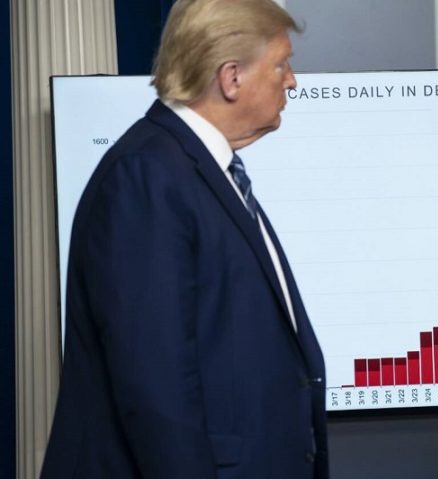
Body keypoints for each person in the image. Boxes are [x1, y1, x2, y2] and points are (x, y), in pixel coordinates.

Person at [40, 0, 328, 477]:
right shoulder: (147, 176)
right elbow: (157, 388)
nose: (292, 81)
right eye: (281, 64)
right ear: (231, 77)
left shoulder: (193, 168)